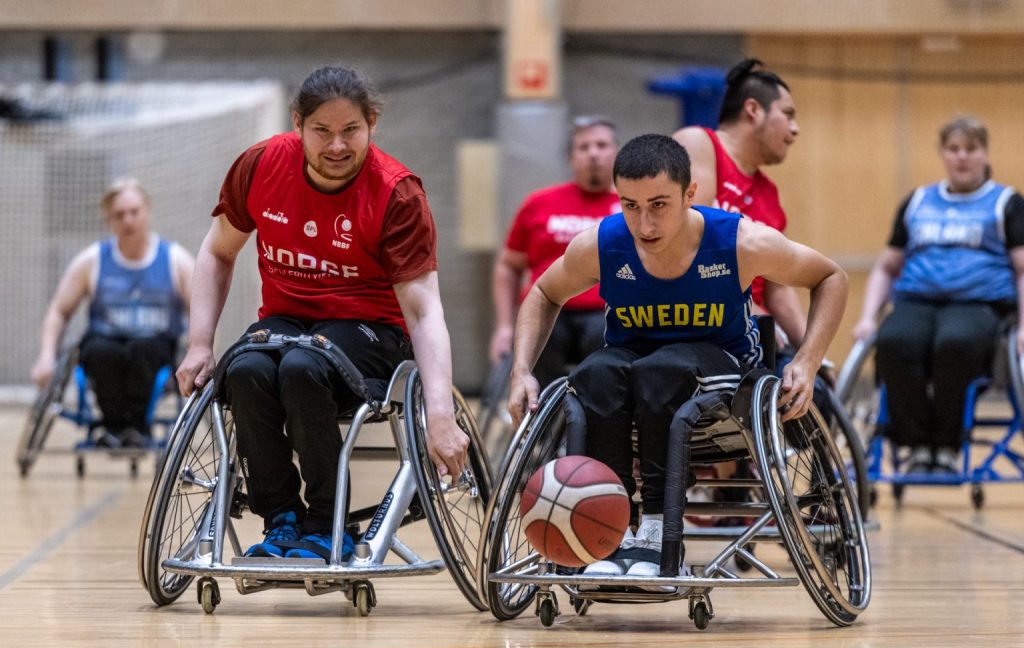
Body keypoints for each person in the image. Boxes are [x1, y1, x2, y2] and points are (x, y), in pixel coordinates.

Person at [508, 134, 847, 578]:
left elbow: (830, 277)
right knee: (594, 374)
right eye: (630, 205)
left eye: (659, 205)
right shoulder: (602, 244)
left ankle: (656, 529)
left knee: (662, 371)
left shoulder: (740, 241)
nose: (644, 223)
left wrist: (805, 360)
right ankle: (613, 530)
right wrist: (520, 371)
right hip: (636, 365)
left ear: (690, 194)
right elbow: (544, 293)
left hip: (722, 372)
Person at [175, 66, 468, 562]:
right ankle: (282, 519)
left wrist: (439, 411)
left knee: (302, 367)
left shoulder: (397, 193)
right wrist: (200, 343)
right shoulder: (261, 165)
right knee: (244, 368)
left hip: (371, 332)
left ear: (371, 123)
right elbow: (218, 251)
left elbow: (423, 310)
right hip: (288, 322)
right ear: (298, 124)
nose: (337, 146)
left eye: (350, 130)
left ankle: (325, 522)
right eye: (322, 131)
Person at [852, 115, 1024, 475]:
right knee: (895, 340)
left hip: (979, 304)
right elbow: (886, 267)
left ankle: (946, 445)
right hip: (917, 300)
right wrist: (868, 317)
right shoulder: (917, 201)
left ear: (984, 154)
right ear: (943, 154)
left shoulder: (1005, 203)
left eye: (971, 149)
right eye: (954, 149)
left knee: (956, 343)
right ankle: (915, 444)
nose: (962, 157)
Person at [31, 178, 193, 448]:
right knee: (101, 350)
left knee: (144, 347)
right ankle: (114, 427)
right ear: (109, 220)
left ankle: (137, 427)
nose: (128, 220)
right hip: (105, 343)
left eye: (134, 212)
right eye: (119, 215)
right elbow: (59, 310)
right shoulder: (91, 260)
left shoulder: (176, 259)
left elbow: (200, 310)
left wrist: (199, 350)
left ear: (147, 211)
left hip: (154, 345)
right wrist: (47, 356)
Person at [672, 58, 808, 350]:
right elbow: (685, 243)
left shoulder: (770, 193)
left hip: (751, 333)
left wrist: (812, 354)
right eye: (788, 115)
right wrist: (752, 314)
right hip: (700, 320)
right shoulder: (699, 144)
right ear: (753, 110)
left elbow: (778, 288)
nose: (795, 129)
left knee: (814, 387)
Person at [489, 116, 621, 389]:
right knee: (539, 337)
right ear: (572, 157)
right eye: (584, 147)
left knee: (605, 336)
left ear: (616, 153)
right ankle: (547, 418)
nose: (593, 153)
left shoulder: (631, 206)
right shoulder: (539, 203)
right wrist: (503, 326)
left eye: (601, 145)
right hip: (549, 307)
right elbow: (508, 266)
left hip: (604, 312)